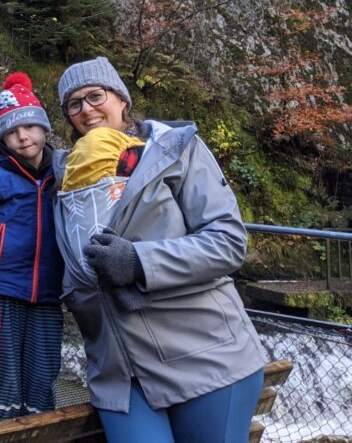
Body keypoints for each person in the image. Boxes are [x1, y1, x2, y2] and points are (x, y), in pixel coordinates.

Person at [54, 56, 267, 443]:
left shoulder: (175, 149)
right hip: (120, 374)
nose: (87, 109)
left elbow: (228, 242)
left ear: (121, 99)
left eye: (95, 95)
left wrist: (139, 262)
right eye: (74, 103)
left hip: (206, 356)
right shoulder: (65, 177)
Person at [0, 72, 64, 422]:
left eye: (30, 127)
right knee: (2, 383)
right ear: (2, 137)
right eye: (12, 131)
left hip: (50, 295)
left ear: (44, 128)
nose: (23, 136)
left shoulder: (64, 173)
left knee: (42, 380)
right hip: (3, 293)